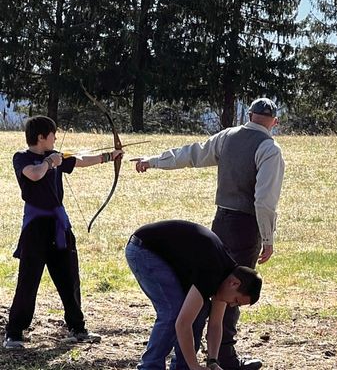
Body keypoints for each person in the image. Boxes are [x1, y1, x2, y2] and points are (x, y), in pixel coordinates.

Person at [132, 98, 285, 370]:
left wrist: (154, 161)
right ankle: (223, 358)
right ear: (274, 121)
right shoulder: (269, 148)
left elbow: (192, 154)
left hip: (221, 220)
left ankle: (188, 359)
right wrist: (268, 237)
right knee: (228, 294)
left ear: (249, 115)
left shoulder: (228, 137)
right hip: (246, 225)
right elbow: (264, 201)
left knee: (204, 293)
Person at [3, 115, 124, 349]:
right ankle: (15, 332)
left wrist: (109, 156)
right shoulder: (22, 158)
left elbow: (80, 160)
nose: (55, 138)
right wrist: (51, 162)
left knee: (69, 277)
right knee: (28, 280)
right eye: (52, 134)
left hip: (59, 226)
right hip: (36, 228)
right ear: (41, 137)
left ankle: (77, 328)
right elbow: (35, 174)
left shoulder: (55, 156)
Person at [125, 219, 263, 370]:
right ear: (234, 283)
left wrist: (213, 361)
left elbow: (216, 324)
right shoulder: (213, 273)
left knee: (200, 310)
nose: (232, 305)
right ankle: (150, 367)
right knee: (173, 312)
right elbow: (182, 323)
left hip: (167, 257)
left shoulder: (227, 278)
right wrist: (194, 366)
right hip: (143, 249)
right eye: (236, 300)